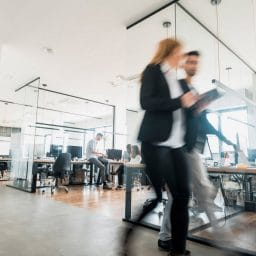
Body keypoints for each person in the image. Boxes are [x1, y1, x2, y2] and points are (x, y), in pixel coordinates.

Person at [122, 38, 198, 256]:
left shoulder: (177, 79)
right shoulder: (153, 70)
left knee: (182, 196)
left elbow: (181, 111)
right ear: (169, 52)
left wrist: (195, 107)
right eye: (179, 52)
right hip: (155, 143)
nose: (181, 57)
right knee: (157, 198)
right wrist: (179, 102)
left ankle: (178, 250)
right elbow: (147, 102)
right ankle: (128, 233)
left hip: (177, 146)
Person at [158, 51, 236, 251]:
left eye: (196, 62)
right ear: (184, 64)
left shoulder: (193, 91)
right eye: (190, 61)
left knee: (188, 193)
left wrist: (226, 140)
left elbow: (209, 126)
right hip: (181, 148)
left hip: (191, 150)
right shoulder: (181, 87)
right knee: (198, 190)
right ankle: (221, 236)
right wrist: (194, 106)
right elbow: (175, 114)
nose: (194, 65)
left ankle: (166, 236)